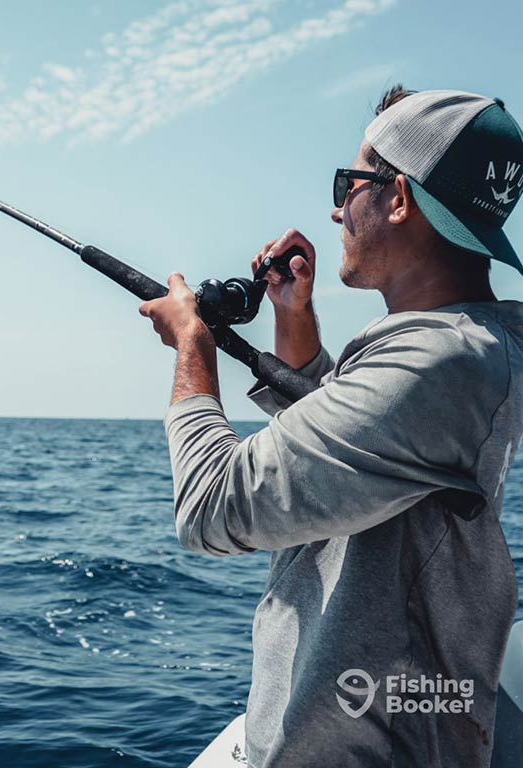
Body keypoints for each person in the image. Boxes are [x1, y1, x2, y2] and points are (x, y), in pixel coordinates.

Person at [139, 86, 523, 766]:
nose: (337, 207)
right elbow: (356, 453)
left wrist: (193, 346)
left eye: (351, 183)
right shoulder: (463, 346)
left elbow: (211, 506)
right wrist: (294, 317)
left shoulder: (439, 362)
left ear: (398, 199)